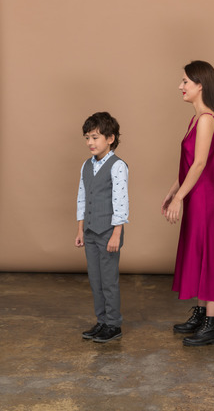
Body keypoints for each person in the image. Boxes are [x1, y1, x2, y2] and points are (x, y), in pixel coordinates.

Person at [161, 60, 214, 346]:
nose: (181, 86)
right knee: (198, 253)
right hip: (194, 194)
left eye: (185, 81)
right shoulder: (196, 119)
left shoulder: (207, 119)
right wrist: (172, 191)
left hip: (204, 197)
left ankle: (212, 324)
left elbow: (199, 164)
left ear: (201, 85)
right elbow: (190, 166)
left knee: (207, 254)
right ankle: (201, 314)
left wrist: (179, 197)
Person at [75, 112, 129, 343]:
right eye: (87, 137)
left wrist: (116, 233)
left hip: (108, 233)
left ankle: (113, 324)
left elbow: (121, 202)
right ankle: (101, 321)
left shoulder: (118, 167)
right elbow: (81, 198)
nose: (90, 142)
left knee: (108, 281)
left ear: (110, 138)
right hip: (89, 231)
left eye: (95, 137)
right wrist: (80, 230)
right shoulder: (86, 166)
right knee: (95, 280)